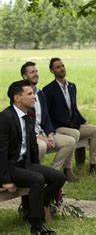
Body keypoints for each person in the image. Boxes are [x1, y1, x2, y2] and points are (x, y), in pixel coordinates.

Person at [0, 80, 66, 234]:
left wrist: (37, 166)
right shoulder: (5, 117)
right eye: (29, 94)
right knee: (37, 179)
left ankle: (32, 207)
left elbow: (32, 145)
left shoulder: (28, 115)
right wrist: (5, 180)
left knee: (59, 178)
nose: (34, 97)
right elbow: (1, 152)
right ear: (17, 98)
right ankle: (36, 226)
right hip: (9, 167)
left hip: (25, 163)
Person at [42, 58, 96, 174]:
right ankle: (68, 169)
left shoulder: (72, 86)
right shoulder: (48, 90)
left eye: (62, 66)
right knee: (74, 133)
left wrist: (83, 121)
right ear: (52, 70)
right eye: (57, 67)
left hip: (73, 124)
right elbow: (46, 113)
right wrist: (50, 131)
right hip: (58, 127)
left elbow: (74, 108)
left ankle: (94, 164)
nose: (61, 69)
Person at [21, 61, 79, 182]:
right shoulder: (20, 94)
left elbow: (46, 118)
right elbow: (24, 122)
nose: (36, 74)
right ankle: (37, 177)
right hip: (29, 135)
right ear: (24, 76)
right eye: (32, 72)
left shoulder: (41, 94)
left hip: (43, 133)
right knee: (41, 146)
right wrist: (41, 137)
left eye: (36, 71)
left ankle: (53, 173)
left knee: (70, 141)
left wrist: (50, 134)